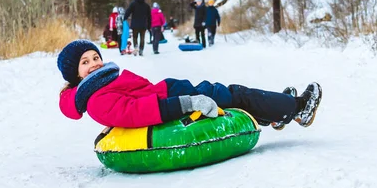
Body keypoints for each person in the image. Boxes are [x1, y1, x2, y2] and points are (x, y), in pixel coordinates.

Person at [57, 39, 322, 130]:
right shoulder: (96, 100)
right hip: (174, 97)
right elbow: (138, 112)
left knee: (231, 95)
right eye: (85, 62)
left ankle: (273, 111)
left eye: (95, 57)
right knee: (235, 94)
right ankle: (297, 108)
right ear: (76, 75)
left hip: (170, 90)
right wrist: (189, 103)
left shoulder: (102, 83)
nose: (94, 63)